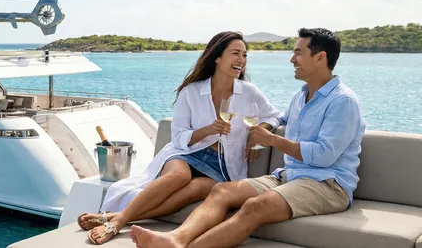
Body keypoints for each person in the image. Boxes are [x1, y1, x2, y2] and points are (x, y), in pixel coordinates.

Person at [131, 28, 366, 248]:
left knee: (255, 206)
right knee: (222, 191)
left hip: (328, 184)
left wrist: (273, 140)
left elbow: (324, 156)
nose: (292, 59)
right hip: (290, 176)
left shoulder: (342, 101)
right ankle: (175, 239)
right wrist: (259, 132)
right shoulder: (302, 95)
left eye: (298, 53)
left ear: (320, 58)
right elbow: (279, 118)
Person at [77, 31, 281, 244]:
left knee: (197, 188)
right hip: (187, 152)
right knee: (179, 176)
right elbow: (178, 136)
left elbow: (275, 116)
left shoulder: (249, 92)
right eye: (235, 53)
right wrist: (208, 130)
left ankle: (114, 216)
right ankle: (117, 224)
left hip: (223, 166)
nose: (241, 60)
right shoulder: (191, 91)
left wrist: (258, 134)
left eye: (245, 55)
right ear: (217, 57)